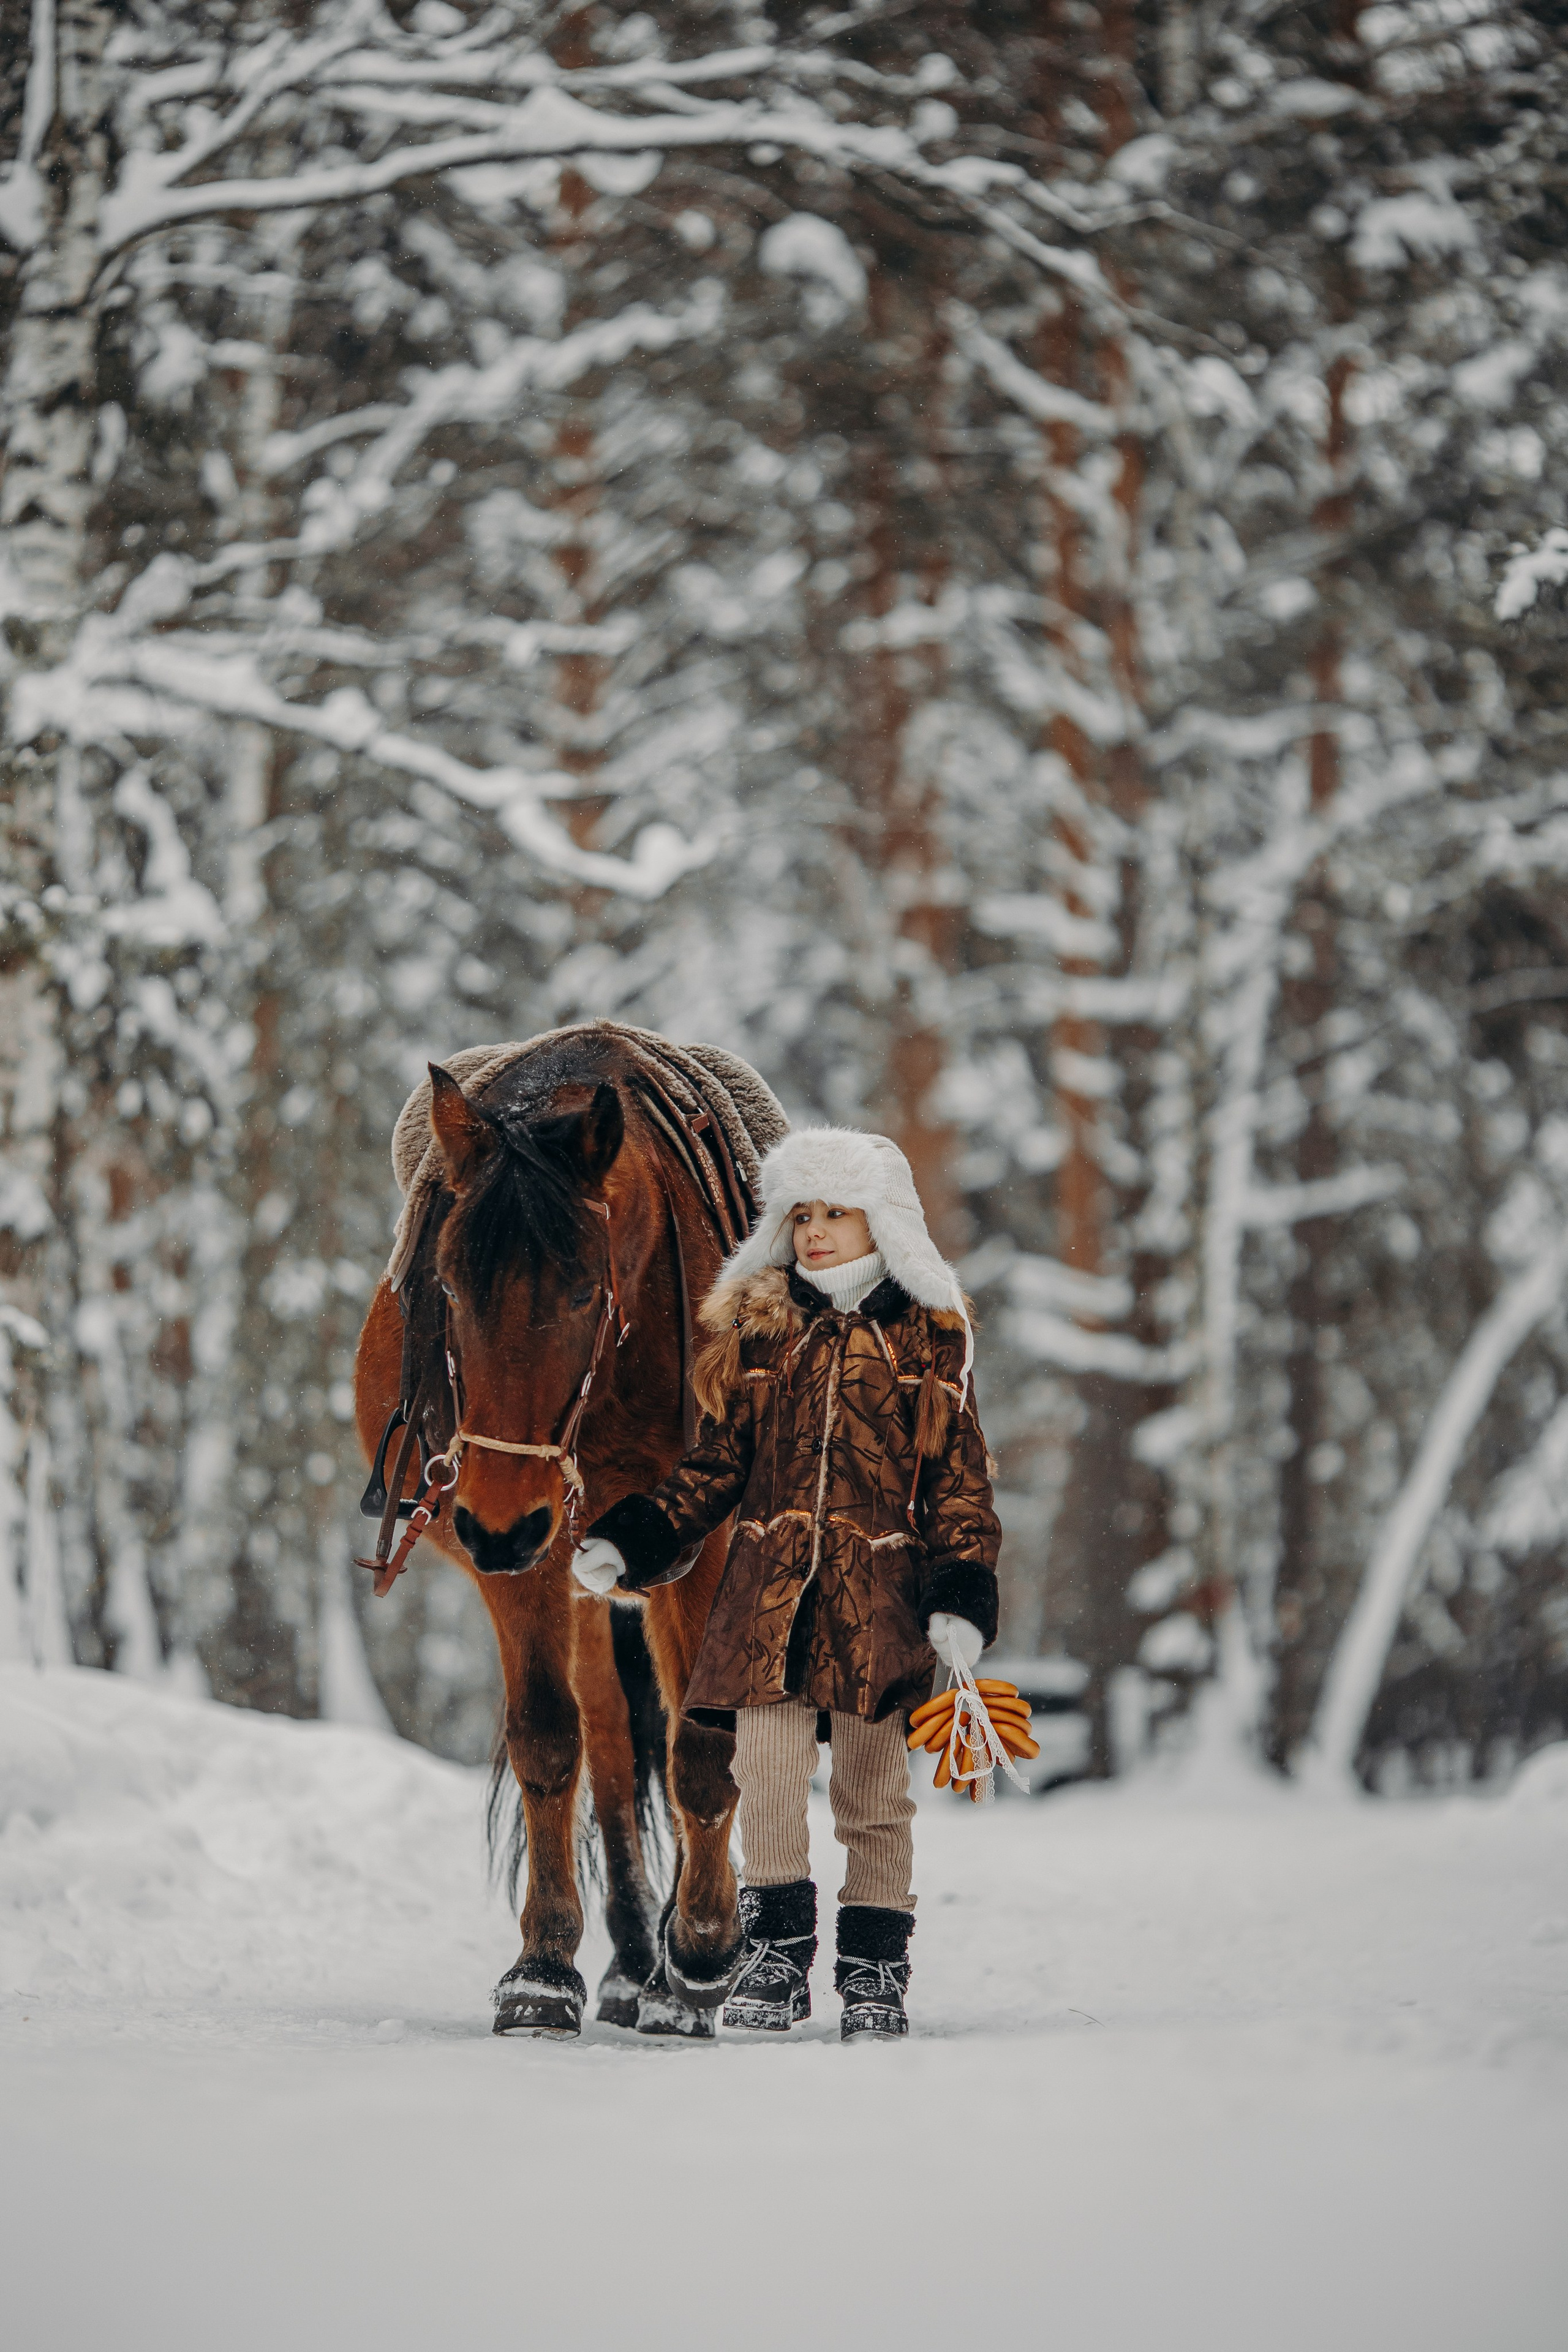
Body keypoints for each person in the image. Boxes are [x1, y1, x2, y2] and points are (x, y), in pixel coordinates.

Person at [571, 1126, 1001, 2042]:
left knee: (873, 1799)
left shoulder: (927, 1345)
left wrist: (960, 1594)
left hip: (878, 1609)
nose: (814, 1232)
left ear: (883, 1224)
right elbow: (711, 1471)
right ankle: (775, 1956)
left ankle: (874, 1970)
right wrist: (635, 1539)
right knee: (762, 1783)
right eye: (801, 1214)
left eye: (836, 1214)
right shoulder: (762, 1338)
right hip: (765, 1609)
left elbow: (962, 1486)